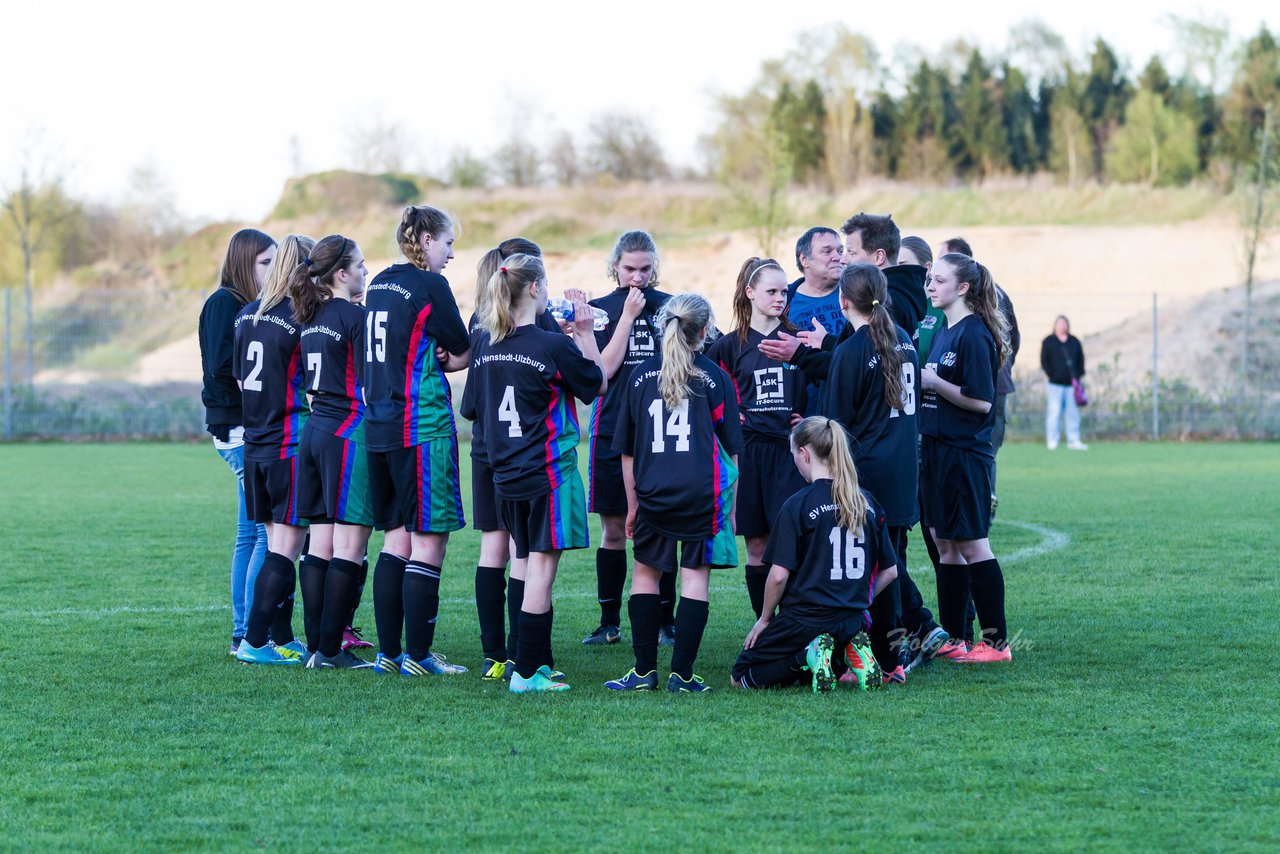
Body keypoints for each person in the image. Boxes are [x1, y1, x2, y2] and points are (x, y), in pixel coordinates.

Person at [461, 254, 607, 693]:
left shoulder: (487, 343)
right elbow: (596, 383)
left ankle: (532, 663)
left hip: (504, 474)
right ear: (537, 290)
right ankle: (526, 671)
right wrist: (584, 333)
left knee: (525, 563)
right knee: (541, 569)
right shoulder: (550, 344)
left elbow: (470, 409)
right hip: (547, 473)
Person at [605, 294, 742, 694]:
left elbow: (627, 452)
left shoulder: (640, 376)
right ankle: (682, 676)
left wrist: (632, 505)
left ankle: (644, 671)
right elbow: (732, 452)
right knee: (694, 580)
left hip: (653, 494)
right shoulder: (715, 377)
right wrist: (729, 507)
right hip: (701, 495)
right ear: (703, 331)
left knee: (646, 575)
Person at [363, 205, 472, 676]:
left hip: (379, 426)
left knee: (395, 539)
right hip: (420, 426)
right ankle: (421, 658)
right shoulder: (430, 285)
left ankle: (389, 655)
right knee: (429, 541)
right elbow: (463, 350)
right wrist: (446, 358)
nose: (450, 254)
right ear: (425, 240)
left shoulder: (379, 283)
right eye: (447, 243)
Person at [732, 417, 898, 692]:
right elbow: (890, 572)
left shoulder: (798, 504)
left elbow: (777, 576)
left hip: (805, 618)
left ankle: (805, 655)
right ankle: (849, 654)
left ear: (804, 454)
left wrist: (764, 618)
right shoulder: (867, 503)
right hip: (853, 621)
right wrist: (858, 603)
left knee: (740, 677)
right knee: (821, 658)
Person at [463, 237, 566, 680]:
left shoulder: (482, 323)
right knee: (525, 551)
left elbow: (468, 404)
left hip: (489, 448)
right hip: (524, 453)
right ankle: (522, 654)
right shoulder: (536, 326)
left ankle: (498, 655)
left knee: (498, 548)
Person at [823, 263, 919, 684]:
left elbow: (835, 427)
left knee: (859, 572)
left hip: (868, 477)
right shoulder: (906, 342)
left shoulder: (851, 351)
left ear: (843, 301)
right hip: (903, 472)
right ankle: (893, 660)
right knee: (891, 569)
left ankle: (862, 662)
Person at [582, 231, 679, 647]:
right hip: (611, 431)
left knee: (665, 527)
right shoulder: (600, 312)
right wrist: (626, 313)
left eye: (644, 269)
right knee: (615, 530)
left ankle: (664, 621)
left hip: (663, 434)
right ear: (615, 267)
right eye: (629, 269)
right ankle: (609, 622)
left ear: (653, 267)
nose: (637, 278)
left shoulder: (671, 309)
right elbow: (600, 373)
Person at [919, 253, 1014, 664]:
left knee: (973, 544)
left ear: (962, 288)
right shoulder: (944, 330)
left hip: (965, 454)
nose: (930, 287)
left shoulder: (973, 335)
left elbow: (980, 401)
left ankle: (996, 644)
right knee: (945, 544)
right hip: (937, 451)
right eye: (929, 279)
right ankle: (955, 637)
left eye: (939, 280)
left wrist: (935, 382)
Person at [288, 234, 376, 669]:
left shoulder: (310, 315)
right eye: (360, 265)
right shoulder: (353, 317)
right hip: (346, 433)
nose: (365, 271)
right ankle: (328, 650)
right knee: (351, 544)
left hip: (314, 433)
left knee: (319, 542)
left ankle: (316, 647)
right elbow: (369, 383)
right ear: (341, 273)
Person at [706, 257, 807, 618]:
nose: (780, 298)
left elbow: (825, 383)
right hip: (748, 455)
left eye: (784, 291)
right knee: (758, 545)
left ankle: (797, 623)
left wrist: (809, 416)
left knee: (795, 543)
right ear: (750, 293)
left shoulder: (800, 340)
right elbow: (707, 395)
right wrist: (728, 417)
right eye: (771, 291)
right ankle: (765, 624)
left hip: (791, 453)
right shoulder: (729, 347)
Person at [232, 234, 315, 665]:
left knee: (277, 542)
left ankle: (280, 637)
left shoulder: (246, 315)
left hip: (254, 445)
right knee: (287, 547)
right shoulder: (302, 319)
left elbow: (240, 378)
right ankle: (255, 640)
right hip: (288, 442)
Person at [199, 228, 274, 656]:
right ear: (244, 262)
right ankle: (250, 634)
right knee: (266, 533)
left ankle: (243, 632)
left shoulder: (247, 306)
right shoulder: (224, 303)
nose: (271, 270)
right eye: (265, 262)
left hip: (245, 427)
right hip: (238, 429)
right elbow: (222, 367)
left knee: (250, 533)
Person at [940, 237, 1022, 509]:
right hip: (998, 382)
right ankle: (982, 501)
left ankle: (982, 502)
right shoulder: (996, 293)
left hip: (987, 386)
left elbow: (1009, 339)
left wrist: (990, 365)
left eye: (941, 274)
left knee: (980, 450)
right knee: (986, 451)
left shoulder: (971, 325)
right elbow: (1014, 338)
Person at [783, 227, 844, 416]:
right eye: (827, 251)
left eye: (840, 251)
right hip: (808, 413)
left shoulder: (855, 294)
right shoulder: (784, 302)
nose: (837, 257)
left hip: (851, 406)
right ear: (804, 260)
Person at [1041, 315, 1087, 451]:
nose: (1062, 326)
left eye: (1064, 323)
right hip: (1055, 384)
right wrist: (1052, 374)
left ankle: (1074, 440)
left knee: (1073, 413)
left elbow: (1081, 359)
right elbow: (1044, 361)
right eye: (1059, 324)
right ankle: (1052, 440)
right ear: (1055, 325)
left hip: (1072, 385)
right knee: (1054, 413)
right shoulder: (1049, 341)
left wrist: (1078, 376)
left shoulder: (1074, 341)